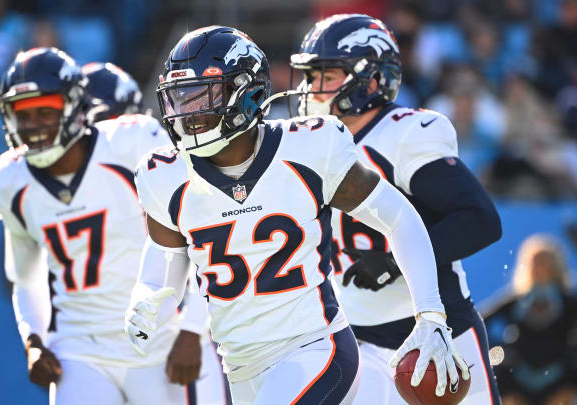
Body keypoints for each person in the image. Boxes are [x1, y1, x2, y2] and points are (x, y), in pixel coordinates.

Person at [125, 26, 469, 405]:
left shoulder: (307, 148)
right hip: (239, 365)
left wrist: (430, 314)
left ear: (246, 91)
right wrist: (146, 294)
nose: (189, 114)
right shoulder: (164, 175)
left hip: (316, 350)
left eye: (201, 96)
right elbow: (167, 258)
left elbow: (399, 217)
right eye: (180, 98)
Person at [289, 14, 503, 404]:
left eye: (326, 75)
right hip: (357, 338)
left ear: (370, 81)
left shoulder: (405, 133)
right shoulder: (311, 141)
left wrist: (391, 261)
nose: (311, 89)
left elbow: (480, 220)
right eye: (309, 75)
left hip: (436, 329)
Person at [0, 47, 193, 405]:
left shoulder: (131, 143)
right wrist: (34, 340)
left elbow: (197, 236)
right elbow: (25, 277)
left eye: (45, 111)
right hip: (79, 348)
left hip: (157, 337)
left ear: (74, 106)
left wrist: (192, 329)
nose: (33, 125)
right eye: (23, 114)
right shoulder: (9, 178)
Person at [82, 60, 230, 405]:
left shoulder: (158, 167)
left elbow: (203, 252)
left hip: (167, 332)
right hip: (102, 339)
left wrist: (193, 330)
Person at [483, 235, 577, 405]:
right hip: (516, 380)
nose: (539, 267)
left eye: (545, 262)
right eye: (535, 262)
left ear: (556, 266)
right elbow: (480, 322)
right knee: (498, 368)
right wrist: (500, 351)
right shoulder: (515, 301)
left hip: (559, 378)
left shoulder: (568, 302)